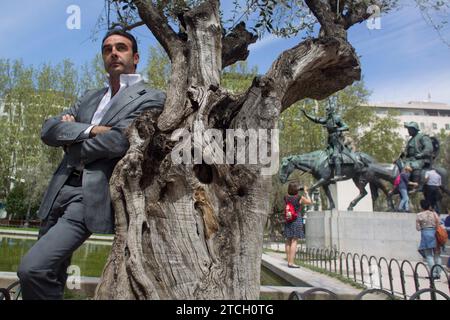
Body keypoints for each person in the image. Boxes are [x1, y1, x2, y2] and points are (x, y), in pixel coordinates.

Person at [17, 29, 166, 300]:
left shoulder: (151, 97)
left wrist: (73, 139)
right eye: (107, 49)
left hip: (89, 195)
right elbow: (49, 130)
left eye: (121, 48)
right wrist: (93, 129)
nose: (113, 53)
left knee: (33, 269)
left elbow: (119, 142)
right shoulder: (88, 96)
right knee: (51, 274)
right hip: (58, 189)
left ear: (135, 57)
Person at [302, 100, 349, 181]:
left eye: (327, 110)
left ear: (331, 110)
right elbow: (317, 120)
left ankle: (338, 175)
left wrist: (337, 128)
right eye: (326, 110)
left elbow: (346, 126)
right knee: (326, 156)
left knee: (335, 156)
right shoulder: (327, 119)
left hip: (337, 140)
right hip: (330, 140)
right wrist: (306, 114)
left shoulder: (337, 118)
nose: (326, 111)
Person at [284, 182, 312, 268]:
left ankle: (289, 261)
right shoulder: (299, 197)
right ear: (296, 189)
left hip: (288, 219)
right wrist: (306, 192)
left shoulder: (286, 197)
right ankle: (291, 263)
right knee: (294, 240)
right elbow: (309, 202)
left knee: (288, 240)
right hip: (296, 219)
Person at [416, 199, 442, 279]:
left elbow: (418, 228)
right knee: (437, 255)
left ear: (421, 206)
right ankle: (439, 273)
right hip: (435, 234)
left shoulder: (419, 215)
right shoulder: (434, 214)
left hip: (426, 234)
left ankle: (433, 274)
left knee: (429, 255)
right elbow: (439, 223)